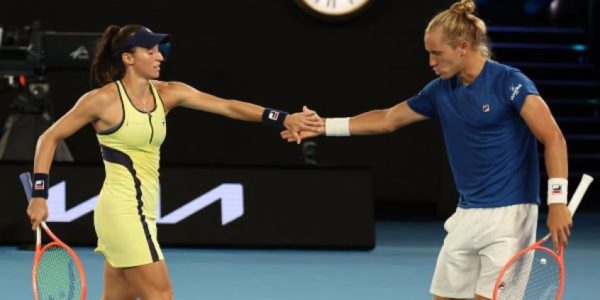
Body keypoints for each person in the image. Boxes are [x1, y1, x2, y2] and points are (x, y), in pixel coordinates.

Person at [282, 1, 572, 299]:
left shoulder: (510, 83)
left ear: (462, 47)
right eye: (429, 54)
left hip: (511, 216)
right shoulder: (439, 91)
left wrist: (558, 202)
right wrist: (324, 126)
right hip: (467, 214)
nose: (431, 62)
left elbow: (553, 137)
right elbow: (387, 119)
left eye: (437, 53)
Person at [26, 24, 321, 300]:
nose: (159, 57)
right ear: (128, 58)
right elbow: (48, 138)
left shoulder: (169, 93)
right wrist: (39, 195)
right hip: (123, 213)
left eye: (159, 50)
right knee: (161, 295)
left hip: (143, 212)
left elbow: (228, 106)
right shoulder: (102, 100)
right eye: (150, 51)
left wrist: (283, 118)